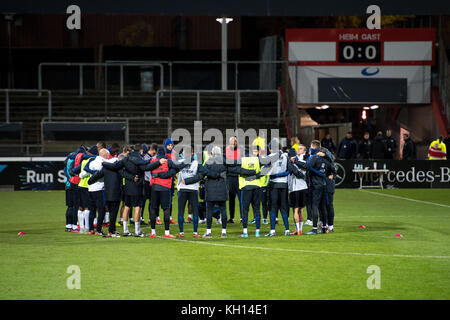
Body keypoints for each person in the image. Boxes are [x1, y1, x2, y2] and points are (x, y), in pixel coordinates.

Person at [102, 145, 165, 237]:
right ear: (140, 151)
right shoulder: (139, 160)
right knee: (137, 207)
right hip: (137, 187)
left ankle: (125, 230)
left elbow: (115, 167)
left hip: (126, 187)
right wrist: (159, 162)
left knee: (126, 207)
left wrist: (104, 163)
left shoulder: (126, 159)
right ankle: (137, 231)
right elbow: (147, 167)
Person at [295, 140, 336, 235]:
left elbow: (307, 166)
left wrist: (296, 162)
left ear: (313, 147)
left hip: (316, 185)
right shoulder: (326, 158)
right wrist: (332, 174)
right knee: (323, 206)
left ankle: (314, 229)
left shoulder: (314, 157)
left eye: (310, 147)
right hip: (324, 185)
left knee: (315, 206)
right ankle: (324, 227)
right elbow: (331, 168)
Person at [264, 138, 303, 237]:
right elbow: (291, 169)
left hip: (274, 185)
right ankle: (286, 230)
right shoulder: (285, 156)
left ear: (270, 149)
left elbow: (265, 171)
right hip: (284, 185)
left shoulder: (269, 157)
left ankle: (272, 231)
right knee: (284, 208)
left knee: (273, 208)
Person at [88, 153, 126, 237]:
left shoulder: (106, 168)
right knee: (113, 213)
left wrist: (89, 181)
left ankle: (111, 230)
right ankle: (111, 231)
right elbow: (125, 176)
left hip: (106, 193)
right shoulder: (120, 169)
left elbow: (96, 176)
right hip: (116, 193)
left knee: (108, 212)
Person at [198, 146, 229, 238]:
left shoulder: (208, 162)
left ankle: (208, 232)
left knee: (209, 210)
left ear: (212, 153)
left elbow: (203, 173)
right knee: (223, 209)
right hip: (222, 188)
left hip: (210, 188)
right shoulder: (225, 162)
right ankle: (223, 231)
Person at [80, 148, 111, 236]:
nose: (108, 157)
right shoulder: (104, 162)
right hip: (100, 188)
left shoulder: (92, 162)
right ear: (105, 155)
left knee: (92, 210)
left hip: (90, 189)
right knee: (101, 210)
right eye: (107, 155)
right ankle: (98, 230)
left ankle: (91, 229)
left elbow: (84, 173)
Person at [71, 146, 98, 234]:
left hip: (80, 185)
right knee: (87, 207)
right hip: (87, 186)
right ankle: (87, 228)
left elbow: (75, 170)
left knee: (80, 207)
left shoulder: (83, 161)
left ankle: (81, 228)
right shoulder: (93, 161)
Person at [176, 149, 203, 238]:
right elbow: (198, 176)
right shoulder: (196, 163)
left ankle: (181, 232)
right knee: (195, 211)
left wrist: (178, 186)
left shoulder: (180, 162)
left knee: (181, 211)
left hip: (183, 189)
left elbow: (179, 176)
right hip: (193, 189)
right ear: (192, 153)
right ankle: (195, 232)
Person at [287, 147, 307, 235]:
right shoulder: (303, 162)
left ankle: (298, 230)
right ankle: (300, 230)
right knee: (301, 209)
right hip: (304, 187)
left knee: (295, 209)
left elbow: (295, 173)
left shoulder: (289, 163)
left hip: (294, 188)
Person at [225, 136, 244, 224]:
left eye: (235, 141)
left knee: (241, 198)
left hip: (239, 177)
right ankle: (231, 217)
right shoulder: (226, 150)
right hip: (230, 177)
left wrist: (231, 163)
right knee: (231, 198)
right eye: (232, 141)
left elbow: (241, 162)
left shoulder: (241, 150)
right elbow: (226, 162)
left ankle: (242, 217)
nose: (234, 143)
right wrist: (235, 163)